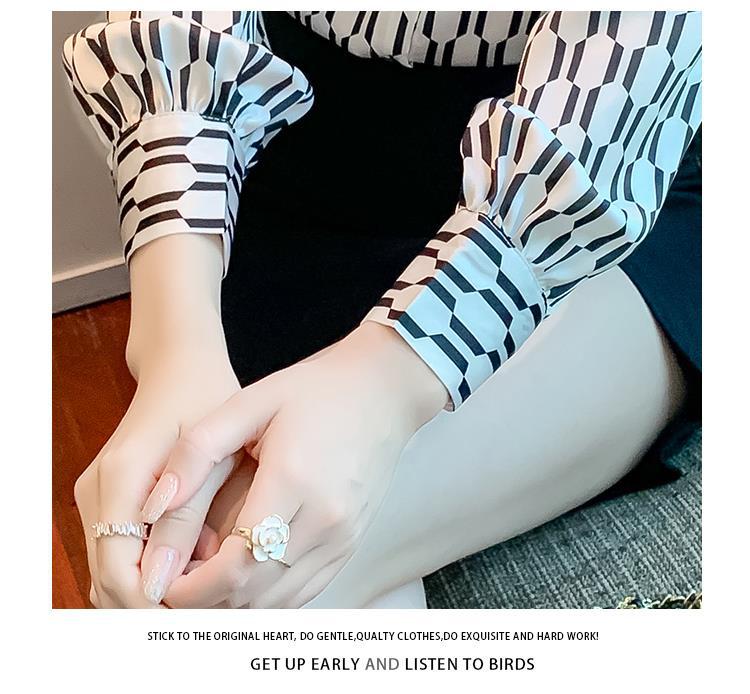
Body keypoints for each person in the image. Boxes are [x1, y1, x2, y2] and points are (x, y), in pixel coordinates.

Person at [63, 10, 702, 608]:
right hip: (288, 155)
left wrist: (387, 382)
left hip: (601, 196)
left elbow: (624, 76)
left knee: (257, 579)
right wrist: (176, 344)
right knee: (206, 560)